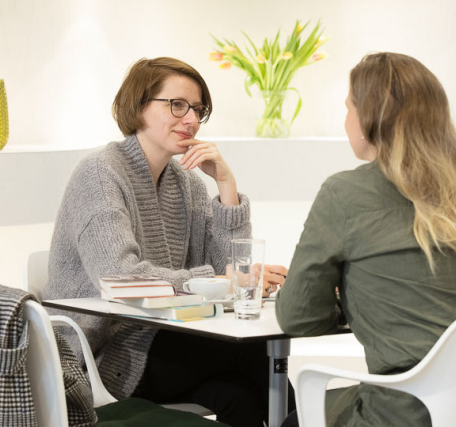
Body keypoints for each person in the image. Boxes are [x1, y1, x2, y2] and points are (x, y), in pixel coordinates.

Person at [275, 52, 456, 427]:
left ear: (369, 118)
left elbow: (297, 317)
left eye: (348, 108)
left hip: (408, 412)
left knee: (296, 419)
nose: (346, 121)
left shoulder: (344, 193)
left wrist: (347, 300)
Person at [43, 57, 290, 427]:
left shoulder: (187, 182)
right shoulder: (99, 173)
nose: (190, 119)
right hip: (109, 357)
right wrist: (220, 281)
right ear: (139, 106)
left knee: (244, 394)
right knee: (256, 355)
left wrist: (227, 186)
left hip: (171, 341)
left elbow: (229, 270)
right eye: (177, 105)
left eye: (197, 109)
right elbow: (120, 278)